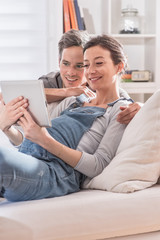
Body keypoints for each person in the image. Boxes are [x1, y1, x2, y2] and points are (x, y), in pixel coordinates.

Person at [0, 34, 133, 202]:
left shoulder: (120, 110)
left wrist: (44, 140)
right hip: (29, 157)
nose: (90, 71)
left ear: (119, 67)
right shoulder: (71, 102)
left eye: (98, 63)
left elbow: (98, 166)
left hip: (56, 172)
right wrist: (7, 128)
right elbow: (32, 141)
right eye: (86, 65)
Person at [38, 29, 141, 124]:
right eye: (66, 63)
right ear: (59, 61)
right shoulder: (50, 81)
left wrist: (141, 108)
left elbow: (128, 103)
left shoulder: (98, 84)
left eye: (80, 66)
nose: (71, 72)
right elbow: (25, 93)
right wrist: (68, 92)